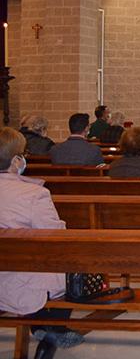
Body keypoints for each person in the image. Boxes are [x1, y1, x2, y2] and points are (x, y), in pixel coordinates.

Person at [0, 127, 85, 357]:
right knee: (70, 261)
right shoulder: (33, 194)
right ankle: (51, 328)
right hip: (20, 278)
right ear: (17, 160)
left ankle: (45, 328)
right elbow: (54, 236)